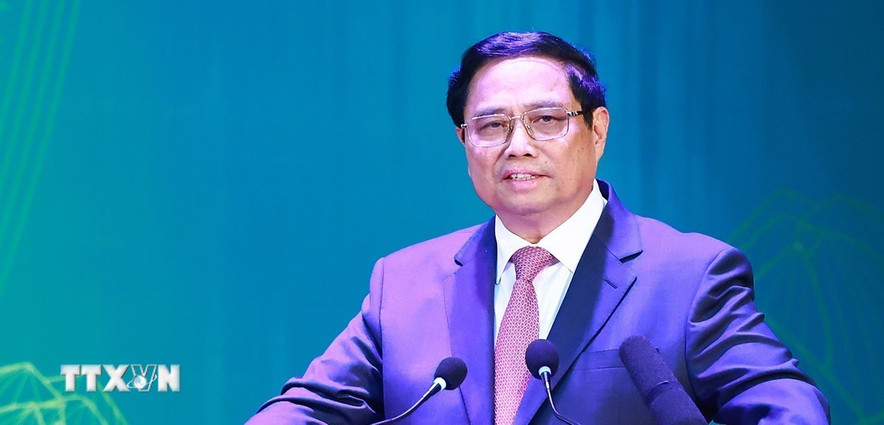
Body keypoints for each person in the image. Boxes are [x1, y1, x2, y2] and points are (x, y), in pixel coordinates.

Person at [247, 31, 829, 424]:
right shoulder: (403, 282)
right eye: (491, 126)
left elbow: (788, 408)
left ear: (597, 130)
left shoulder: (689, 275)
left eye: (546, 120)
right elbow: (307, 409)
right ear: (464, 142)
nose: (517, 146)